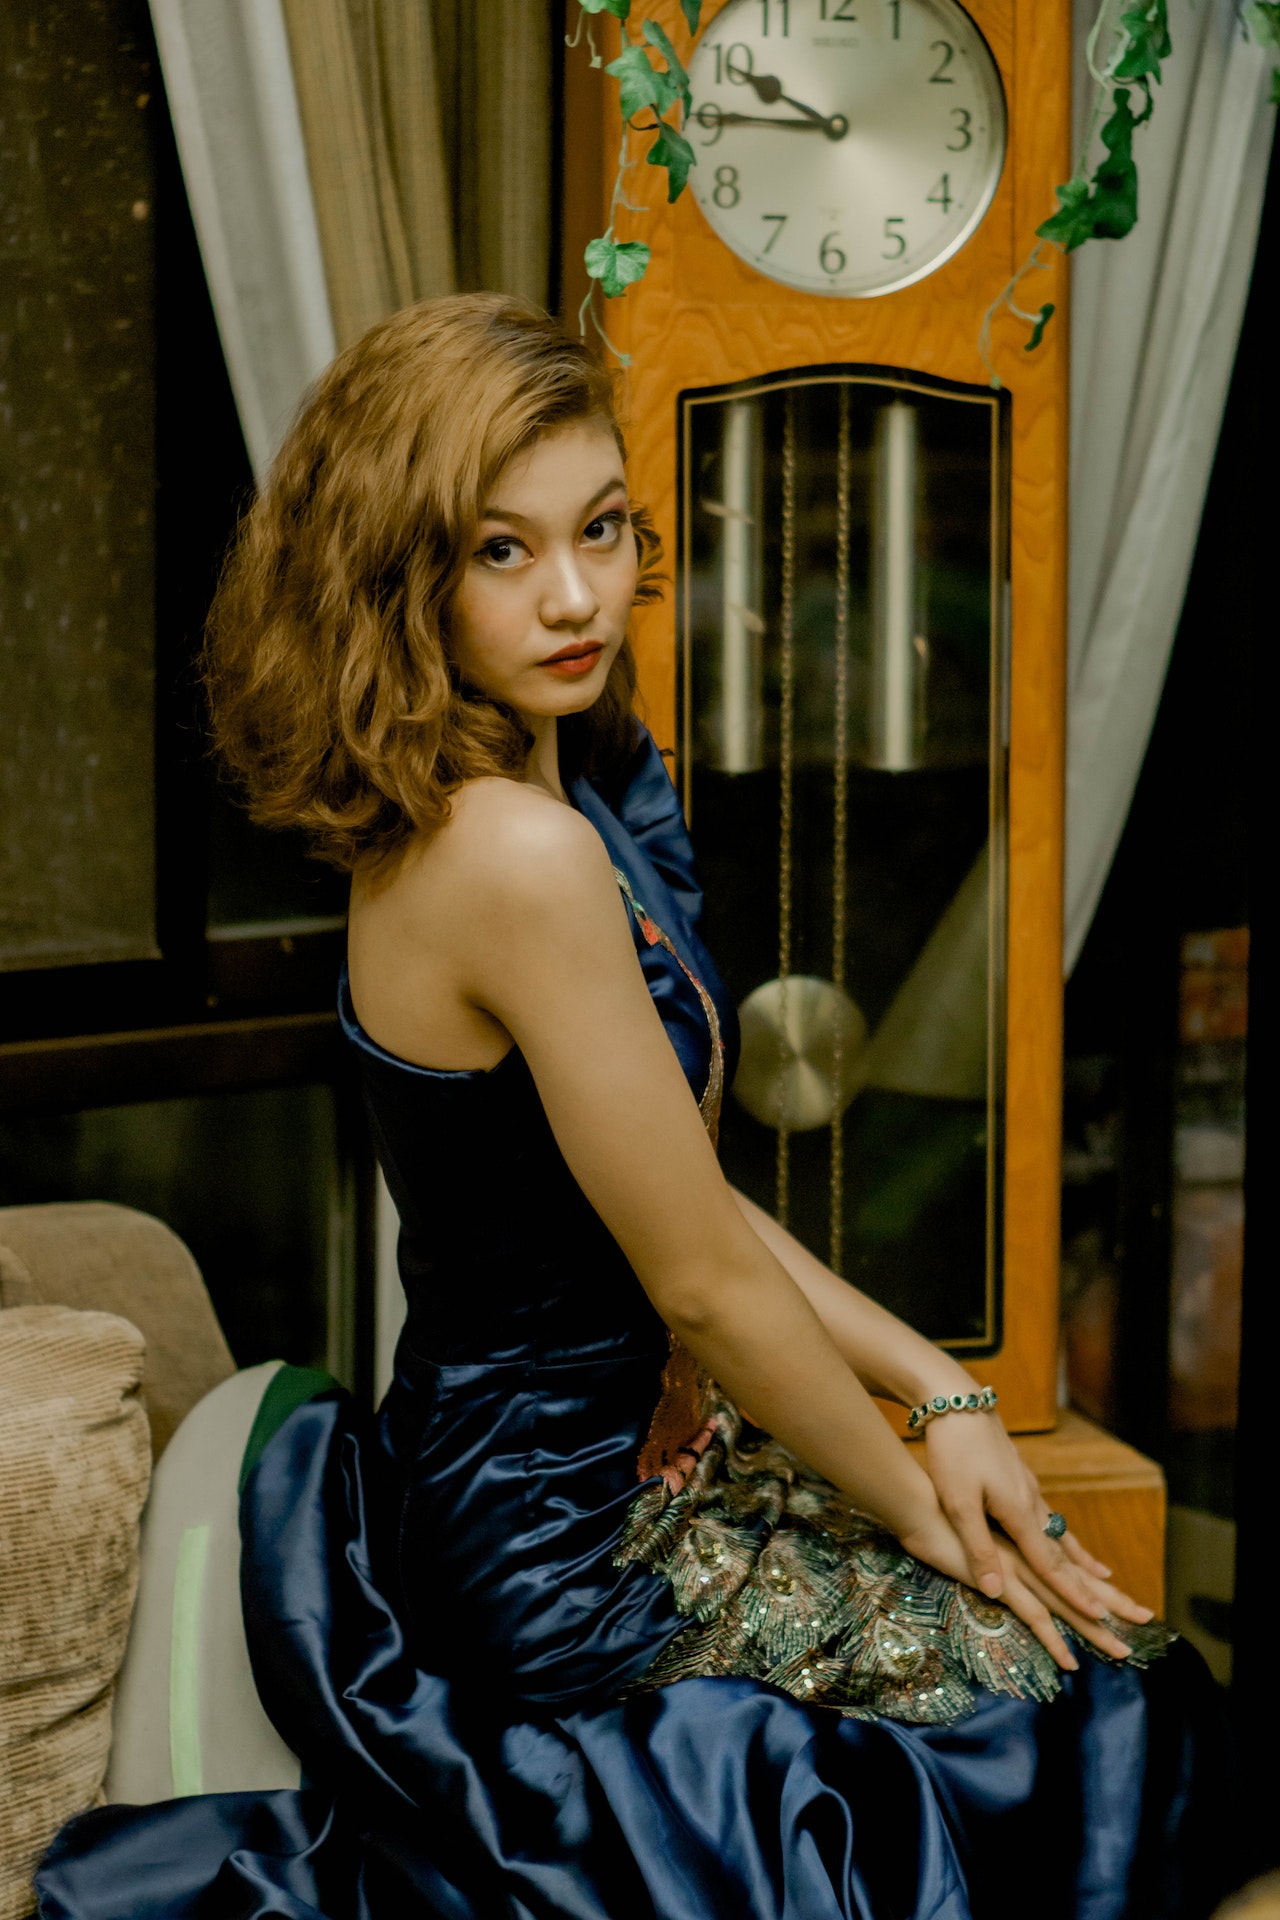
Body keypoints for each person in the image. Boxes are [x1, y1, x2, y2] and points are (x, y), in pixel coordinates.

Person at [38, 294, 1228, 1919]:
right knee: (1096, 1692)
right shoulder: (507, 853)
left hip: (601, 1462)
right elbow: (699, 1283)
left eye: (600, 529)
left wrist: (938, 1393)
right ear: (402, 574)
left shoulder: (538, 791)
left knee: (1107, 1670)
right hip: (560, 1531)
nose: (581, 593)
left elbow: (678, 1202)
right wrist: (946, 1522)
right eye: (503, 551)